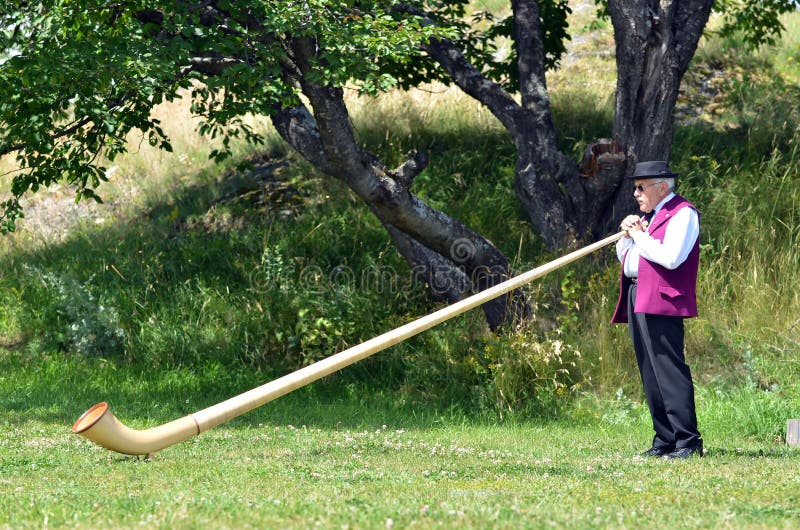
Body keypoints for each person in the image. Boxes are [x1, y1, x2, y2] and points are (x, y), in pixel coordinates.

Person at [611, 160, 704, 459]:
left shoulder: (683, 213)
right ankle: (664, 438)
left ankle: (688, 441)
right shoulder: (648, 218)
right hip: (637, 292)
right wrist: (627, 237)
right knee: (649, 370)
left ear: (661, 187)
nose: (636, 193)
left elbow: (671, 258)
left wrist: (639, 235)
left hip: (662, 298)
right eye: (635, 188)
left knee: (668, 368)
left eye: (641, 187)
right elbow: (629, 260)